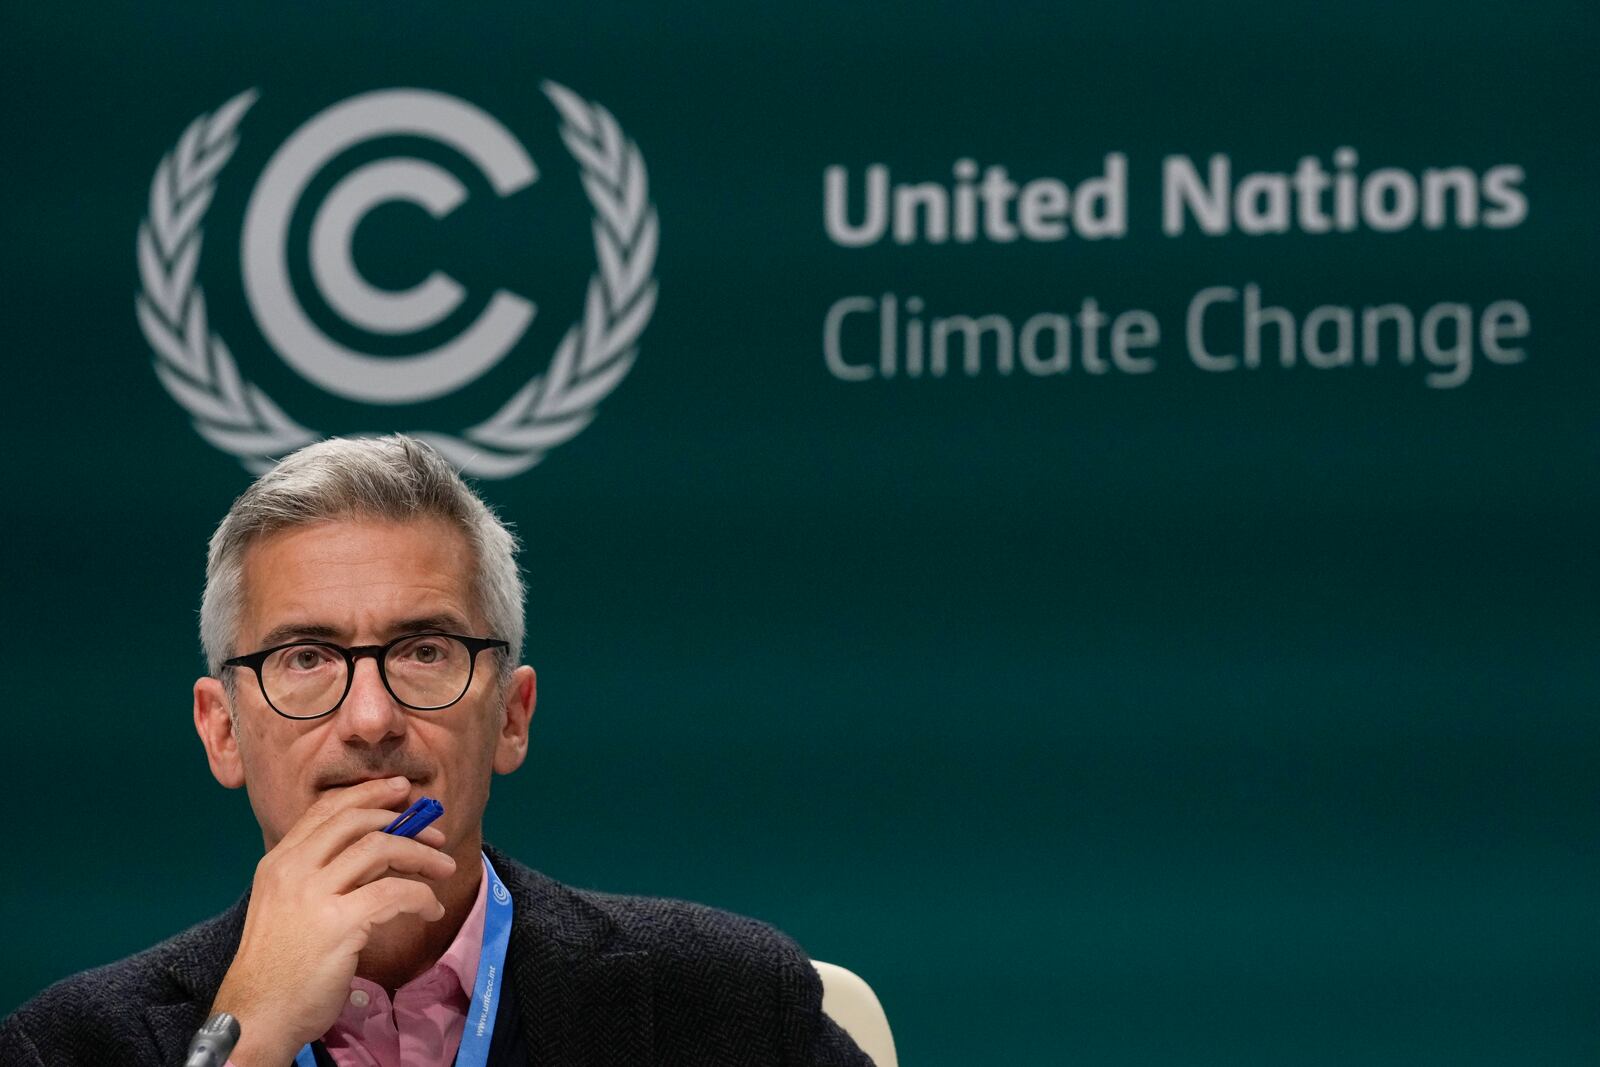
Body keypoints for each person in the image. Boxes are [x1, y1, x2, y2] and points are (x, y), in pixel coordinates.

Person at [1, 435, 872, 1067]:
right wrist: (246, 1040)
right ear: (221, 730)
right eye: (305, 658)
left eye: (425, 652)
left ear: (512, 716)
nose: (373, 718)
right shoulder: (67, 1045)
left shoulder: (725, 1003)